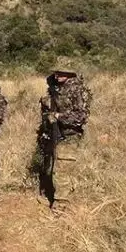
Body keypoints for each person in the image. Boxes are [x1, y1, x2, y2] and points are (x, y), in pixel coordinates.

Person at [37, 69, 92, 205]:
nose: (57, 75)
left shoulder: (78, 90)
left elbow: (81, 117)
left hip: (70, 134)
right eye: (57, 73)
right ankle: (53, 195)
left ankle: (61, 205)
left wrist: (58, 116)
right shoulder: (57, 87)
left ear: (70, 74)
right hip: (55, 133)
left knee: (63, 170)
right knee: (53, 166)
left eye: (62, 73)